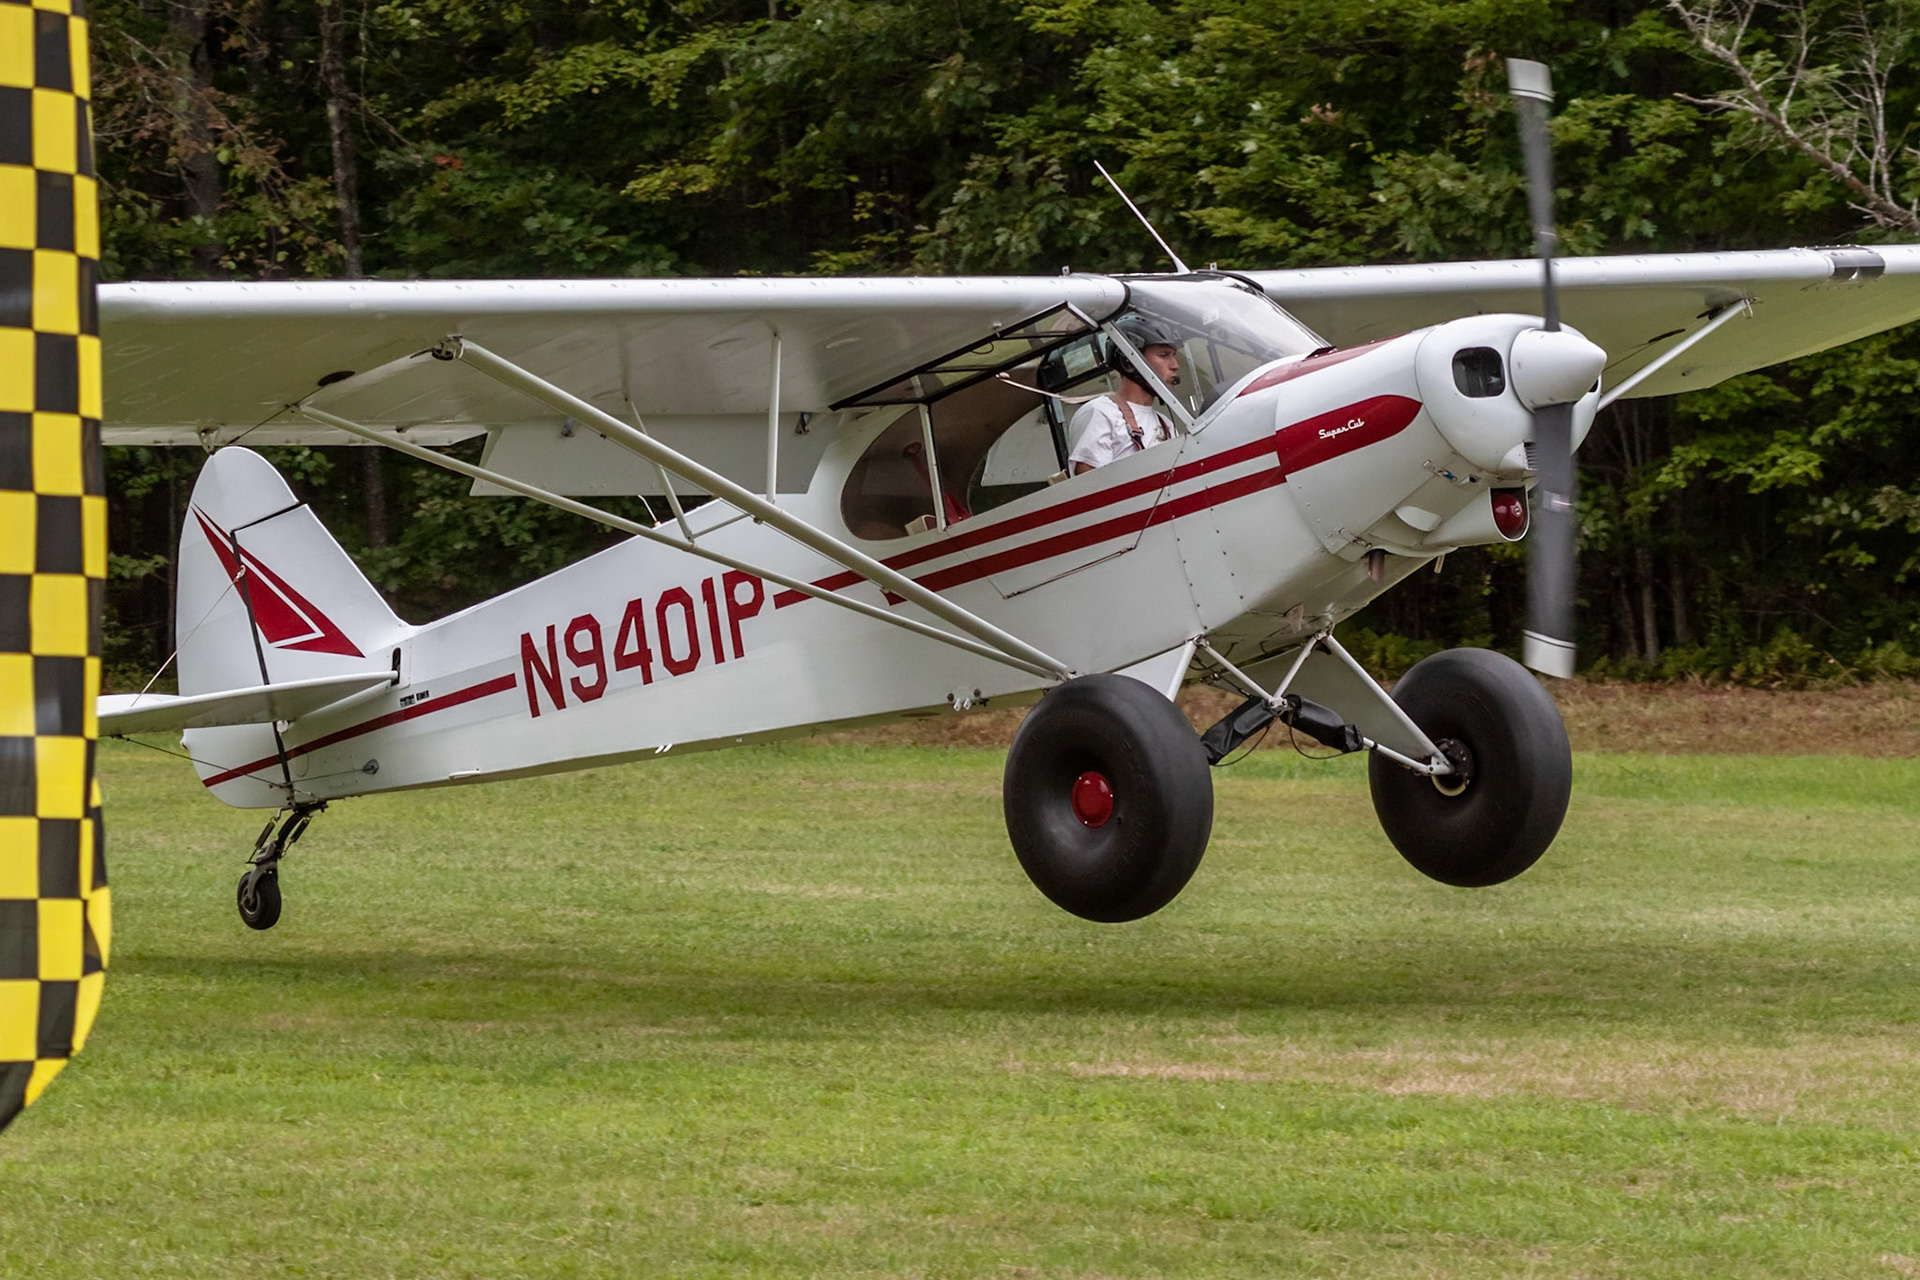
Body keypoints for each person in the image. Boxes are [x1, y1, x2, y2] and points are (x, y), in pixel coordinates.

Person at [1067, 316, 1183, 474]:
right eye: (1163, 355)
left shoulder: (1166, 425)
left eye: (1173, 355)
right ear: (1129, 362)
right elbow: (1091, 491)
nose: (1175, 365)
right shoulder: (1101, 413)